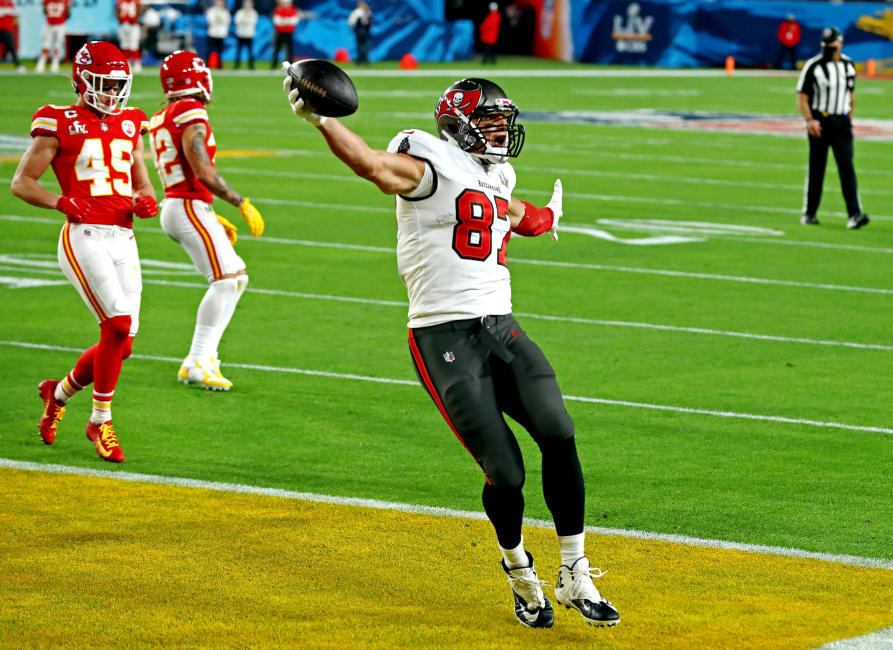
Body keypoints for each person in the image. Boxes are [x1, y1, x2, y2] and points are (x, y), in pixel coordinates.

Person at [281, 70, 620, 629]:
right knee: (506, 472)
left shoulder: (497, 173)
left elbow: (505, 212)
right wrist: (323, 121)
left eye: (501, 122)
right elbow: (371, 164)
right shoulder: (427, 164)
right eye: (487, 121)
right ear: (457, 124)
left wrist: (545, 218)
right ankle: (518, 570)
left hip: (501, 326)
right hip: (443, 334)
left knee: (559, 431)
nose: (497, 132)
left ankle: (574, 570)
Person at [11, 41, 158, 462]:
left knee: (123, 342)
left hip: (123, 237)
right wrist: (61, 202)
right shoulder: (59, 120)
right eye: (103, 83)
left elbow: (141, 182)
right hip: (84, 237)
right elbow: (22, 182)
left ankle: (55, 394)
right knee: (116, 325)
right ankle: (100, 420)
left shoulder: (130, 122)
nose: (112, 93)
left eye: (117, 85)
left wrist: (146, 200)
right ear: (80, 80)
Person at [149, 51, 264, 390]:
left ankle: (205, 356)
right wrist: (239, 202)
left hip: (183, 205)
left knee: (236, 277)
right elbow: (201, 169)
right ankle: (198, 360)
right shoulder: (189, 111)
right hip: (186, 206)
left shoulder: (164, 113)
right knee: (226, 280)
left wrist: (213, 215)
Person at [797, 27, 868, 229]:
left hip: (841, 123)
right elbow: (802, 95)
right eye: (825, 46)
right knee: (817, 168)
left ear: (840, 44)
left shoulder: (848, 65)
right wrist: (810, 120)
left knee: (847, 168)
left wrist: (849, 119)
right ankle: (809, 212)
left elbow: (851, 94)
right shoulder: (813, 66)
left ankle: (854, 214)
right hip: (821, 121)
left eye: (832, 45)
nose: (828, 49)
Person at [36, 0, 70, 72]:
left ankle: (52, 63)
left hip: (58, 25)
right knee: (48, 45)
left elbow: (44, 11)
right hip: (51, 25)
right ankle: (43, 63)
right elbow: (68, 13)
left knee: (55, 45)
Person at [116, 0, 143, 73]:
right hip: (123, 24)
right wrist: (120, 20)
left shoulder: (135, 1)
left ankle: (137, 63)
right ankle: (127, 63)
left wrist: (134, 20)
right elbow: (117, 10)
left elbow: (138, 10)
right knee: (124, 45)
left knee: (134, 44)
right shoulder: (120, 1)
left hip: (133, 25)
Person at [271, 0, 298, 69]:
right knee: (276, 49)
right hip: (279, 33)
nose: (286, 4)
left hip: (289, 33)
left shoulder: (294, 9)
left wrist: (283, 20)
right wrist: (288, 20)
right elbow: (277, 21)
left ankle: (291, 67)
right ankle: (273, 66)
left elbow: (294, 21)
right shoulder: (278, 9)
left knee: (289, 50)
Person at [0, 0, 25, 72]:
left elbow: (16, 13)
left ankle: (18, 65)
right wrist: (6, 11)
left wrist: (7, 11)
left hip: (7, 30)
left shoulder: (10, 3)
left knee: (12, 49)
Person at [205, 0, 230, 69]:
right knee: (210, 50)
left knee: (220, 51)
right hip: (212, 33)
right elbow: (210, 20)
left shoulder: (225, 11)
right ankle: (207, 64)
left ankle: (219, 65)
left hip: (221, 34)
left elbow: (227, 21)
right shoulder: (211, 10)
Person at [234, 0, 258, 69]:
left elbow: (253, 22)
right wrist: (245, 19)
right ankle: (237, 65)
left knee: (250, 52)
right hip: (240, 34)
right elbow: (237, 21)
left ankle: (251, 66)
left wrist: (245, 20)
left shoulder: (254, 13)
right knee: (238, 51)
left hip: (249, 35)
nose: (247, 5)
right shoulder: (240, 12)